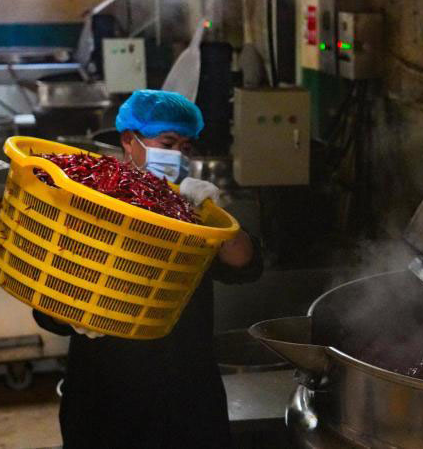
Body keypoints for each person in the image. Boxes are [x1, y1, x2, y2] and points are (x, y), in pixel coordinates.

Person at [33, 90, 262, 448]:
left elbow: (245, 264)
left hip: (186, 392)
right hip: (104, 395)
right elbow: (46, 306)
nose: (177, 156)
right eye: (167, 143)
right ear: (129, 141)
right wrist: (69, 314)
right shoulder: (91, 202)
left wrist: (218, 220)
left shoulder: (188, 210)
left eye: (185, 147)